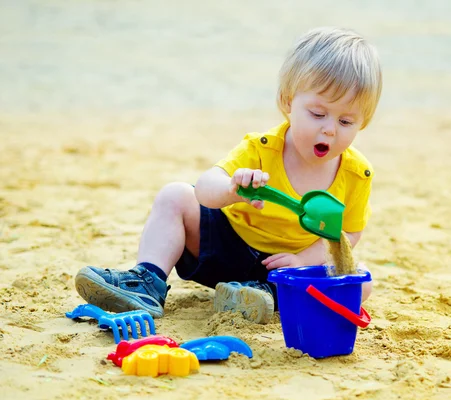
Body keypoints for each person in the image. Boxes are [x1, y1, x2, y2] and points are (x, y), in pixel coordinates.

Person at [74, 26, 382, 324]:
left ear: (363, 122)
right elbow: (204, 189)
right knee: (175, 195)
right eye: (317, 114)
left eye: (346, 121)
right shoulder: (262, 149)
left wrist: (303, 261)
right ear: (289, 101)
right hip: (226, 247)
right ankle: (148, 281)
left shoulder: (357, 174)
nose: (329, 128)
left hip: (284, 269)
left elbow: (348, 234)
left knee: (362, 281)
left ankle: (262, 296)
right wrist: (233, 190)